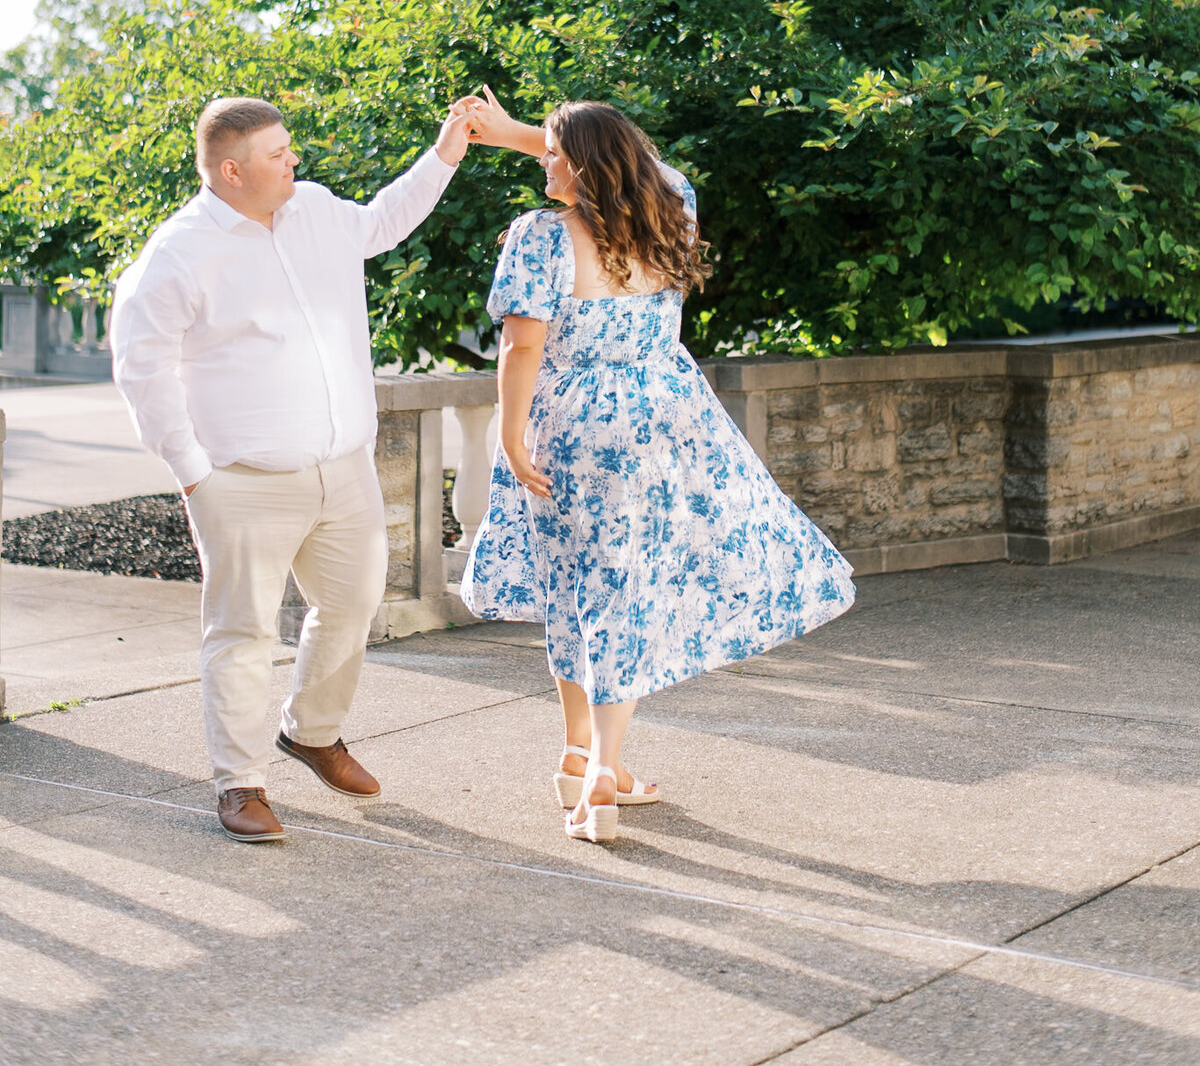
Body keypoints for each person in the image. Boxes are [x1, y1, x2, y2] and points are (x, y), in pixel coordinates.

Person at [459, 91, 856, 842]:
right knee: (626, 592)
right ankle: (591, 764)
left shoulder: (542, 237)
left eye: (550, 153)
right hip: (663, 419)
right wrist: (533, 137)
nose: (539, 160)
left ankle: (595, 774)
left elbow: (521, 346)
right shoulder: (670, 216)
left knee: (577, 588)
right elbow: (659, 172)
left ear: (580, 168)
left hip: (572, 423)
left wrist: (512, 438)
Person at [111, 95, 471, 842]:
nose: (294, 161)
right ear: (231, 170)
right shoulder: (177, 253)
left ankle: (311, 732)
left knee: (352, 604)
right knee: (241, 632)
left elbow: (381, 222)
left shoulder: (314, 210)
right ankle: (239, 784)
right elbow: (141, 368)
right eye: (277, 154)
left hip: (343, 468)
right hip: (239, 479)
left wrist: (444, 154)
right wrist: (191, 470)